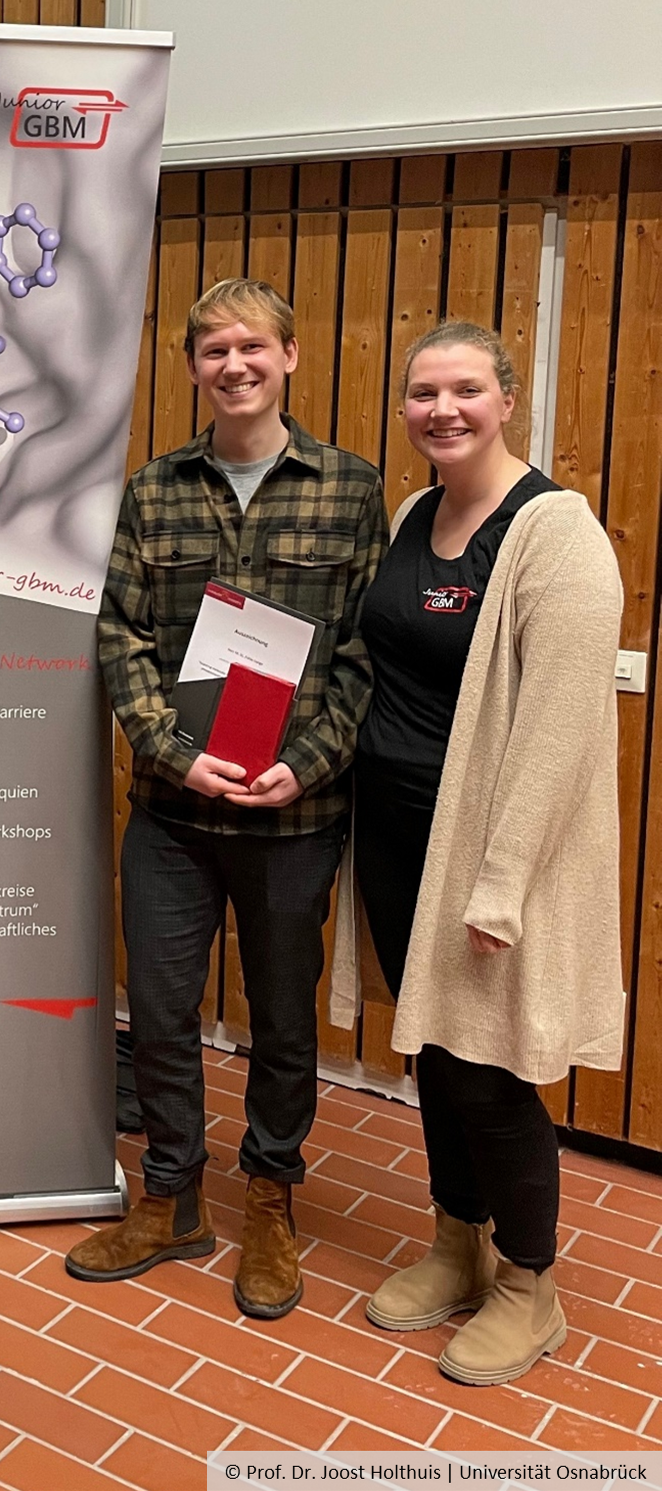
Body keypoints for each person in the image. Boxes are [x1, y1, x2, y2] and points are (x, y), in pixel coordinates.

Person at [67, 278, 389, 1319]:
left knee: (282, 1021)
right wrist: (170, 749)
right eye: (213, 351)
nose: (234, 366)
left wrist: (310, 761)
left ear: (289, 356)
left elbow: (361, 653)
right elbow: (118, 635)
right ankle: (172, 1199)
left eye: (253, 347)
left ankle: (269, 1204)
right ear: (193, 367)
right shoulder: (154, 490)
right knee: (158, 1015)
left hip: (294, 818)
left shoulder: (349, 488)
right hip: (171, 813)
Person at [341, 321, 624, 1386]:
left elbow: (557, 736)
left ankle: (527, 1285)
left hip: (488, 856)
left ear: (507, 399)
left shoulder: (556, 538)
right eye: (422, 392)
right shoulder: (416, 513)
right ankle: (455, 1241)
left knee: (491, 1070)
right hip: (399, 837)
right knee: (434, 1057)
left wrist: (499, 886)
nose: (441, 410)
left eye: (464, 389)